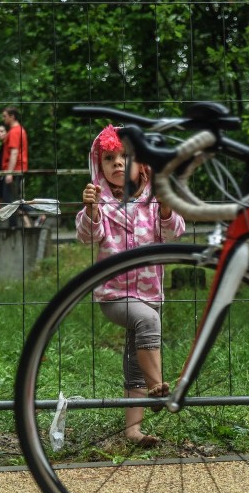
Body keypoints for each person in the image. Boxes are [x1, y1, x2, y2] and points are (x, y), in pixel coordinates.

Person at [75, 125, 186, 446]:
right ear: (100, 166)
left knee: (134, 360)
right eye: (109, 158)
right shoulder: (102, 202)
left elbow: (173, 233)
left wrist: (166, 207)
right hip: (113, 294)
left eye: (125, 157)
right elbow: (87, 236)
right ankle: (158, 388)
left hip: (149, 292)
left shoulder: (153, 200)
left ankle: (133, 430)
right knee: (148, 322)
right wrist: (91, 210)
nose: (118, 163)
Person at [0, 107, 31, 229]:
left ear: (12, 116)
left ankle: (32, 215)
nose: (3, 118)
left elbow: (14, 153)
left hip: (14, 170)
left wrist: (9, 173)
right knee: (10, 199)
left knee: (10, 201)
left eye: (5, 116)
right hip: (16, 170)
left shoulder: (14, 131)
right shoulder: (19, 130)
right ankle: (17, 224)